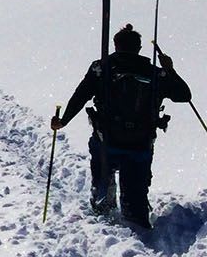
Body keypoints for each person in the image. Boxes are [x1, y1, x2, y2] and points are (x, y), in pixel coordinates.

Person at [50, 24, 192, 230]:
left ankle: (104, 205)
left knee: (102, 178)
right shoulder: (154, 73)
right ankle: (136, 216)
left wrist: (63, 121)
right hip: (140, 143)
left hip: (107, 141)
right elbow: (184, 95)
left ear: (115, 46)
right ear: (139, 47)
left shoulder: (101, 69)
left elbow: (80, 96)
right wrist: (170, 70)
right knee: (135, 194)